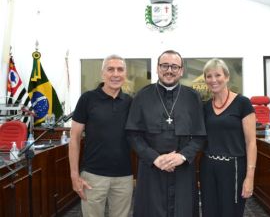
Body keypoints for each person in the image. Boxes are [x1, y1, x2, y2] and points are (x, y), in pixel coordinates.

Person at [125, 50, 206, 217]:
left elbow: (200, 136)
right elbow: (133, 134)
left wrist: (181, 157)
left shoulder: (193, 97)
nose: (169, 70)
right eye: (164, 65)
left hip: (183, 169)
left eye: (174, 66)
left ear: (181, 70)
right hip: (151, 169)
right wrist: (155, 158)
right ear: (157, 68)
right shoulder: (142, 96)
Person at [69, 55, 133, 217]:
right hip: (93, 176)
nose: (115, 74)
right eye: (110, 69)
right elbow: (75, 138)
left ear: (125, 74)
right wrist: (74, 175)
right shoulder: (87, 99)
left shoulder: (130, 102)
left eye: (120, 69)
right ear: (102, 73)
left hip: (124, 177)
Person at [200, 58, 257, 217]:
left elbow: (251, 142)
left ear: (227, 77)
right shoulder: (205, 106)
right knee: (209, 212)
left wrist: (250, 177)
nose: (213, 80)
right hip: (208, 167)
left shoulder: (242, 103)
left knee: (230, 213)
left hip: (234, 168)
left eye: (218, 75)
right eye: (209, 76)